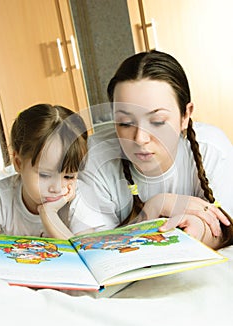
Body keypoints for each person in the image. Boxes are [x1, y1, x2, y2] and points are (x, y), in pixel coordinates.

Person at [78, 50, 233, 249]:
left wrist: (199, 230)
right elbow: (92, 248)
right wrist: (152, 210)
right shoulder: (96, 156)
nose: (140, 139)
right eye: (125, 123)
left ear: (186, 114)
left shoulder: (211, 147)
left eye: (158, 122)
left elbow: (224, 228)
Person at [0, 104, 104, 239]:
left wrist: (49, 214)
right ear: (19, 164)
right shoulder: (3, 198)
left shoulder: (79, 197)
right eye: (45, 175)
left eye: (68, 176)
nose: (56, 188)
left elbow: (84, 254)